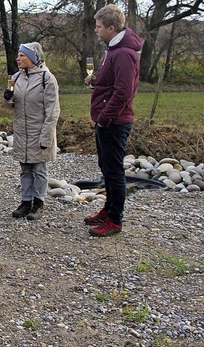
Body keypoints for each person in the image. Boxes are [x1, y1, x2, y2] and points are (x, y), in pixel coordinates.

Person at [84, 4, 143, 237]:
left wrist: (104, 118)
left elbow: (123, 92)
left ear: (111, 28)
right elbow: (111, 83)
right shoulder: (113, 49)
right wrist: (96, 81)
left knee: (114, 170)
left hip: (114, 121)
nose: (96, 31)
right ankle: (108, 210)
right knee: (106, 168)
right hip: (107, 119)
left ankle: (115, 219)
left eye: (99, 27)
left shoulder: (124, 53)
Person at [4, 42, 60, 221]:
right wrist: (8, 99)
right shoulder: (16, 78)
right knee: (25, 168)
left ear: (33, 58)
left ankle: (39, 203)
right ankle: (25, 201)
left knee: (39, 169)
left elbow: (53, 110)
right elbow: (12, 106)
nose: (18, 59)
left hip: (39, 130)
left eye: (22, 56)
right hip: (22, 131)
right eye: (18, 55)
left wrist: (47, 136)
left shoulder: (47, 78)